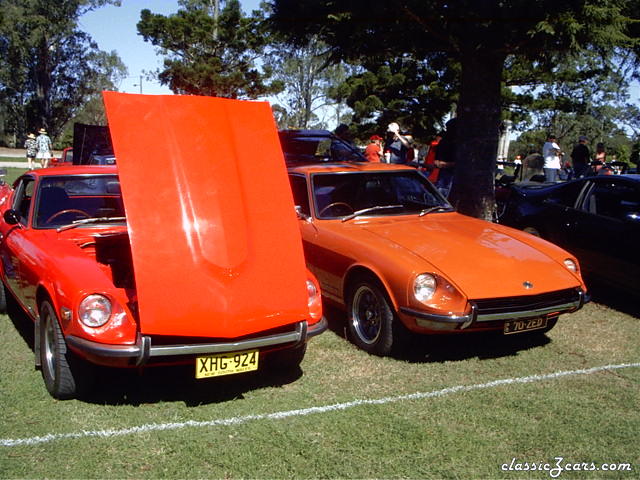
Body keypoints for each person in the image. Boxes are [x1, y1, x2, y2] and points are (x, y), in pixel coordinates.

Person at [434, 118, 457, 196]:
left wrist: (445, 164)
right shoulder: (443, 141)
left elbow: (461, 162)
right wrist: (437, 162)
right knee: (439, 191)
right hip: (440, 172)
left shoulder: (459, 142)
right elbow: (437, 155)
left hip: (452, 173)